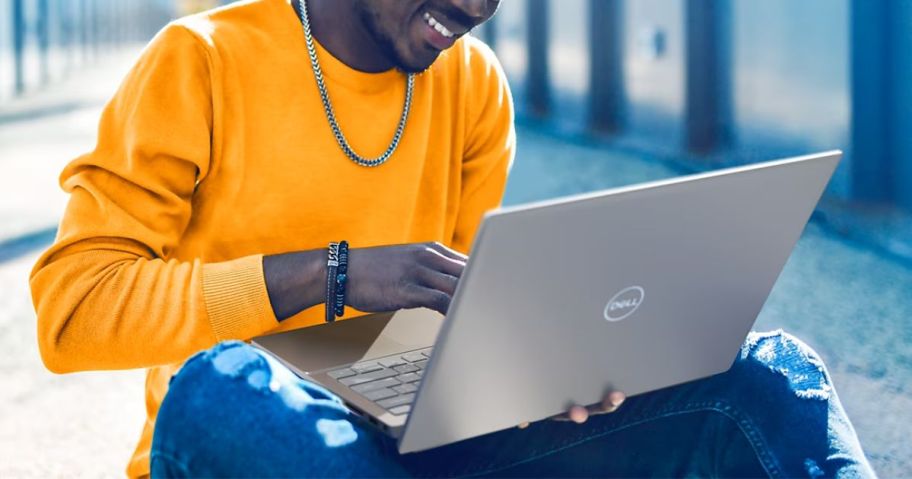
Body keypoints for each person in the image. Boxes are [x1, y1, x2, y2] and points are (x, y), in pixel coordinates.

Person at [29, 0, 875, 477]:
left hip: (428, 443)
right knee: (221, 386)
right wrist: (337, 276)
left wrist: (553, 369)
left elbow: (466, 324)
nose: (475, 7)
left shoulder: (472, 87)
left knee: (766, 375)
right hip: (267, 442)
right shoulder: (202, 62)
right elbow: (71, 312)